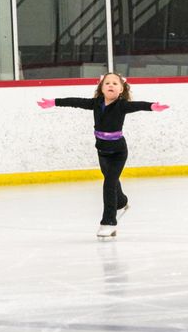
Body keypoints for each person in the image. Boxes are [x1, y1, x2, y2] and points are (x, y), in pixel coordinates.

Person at [36, 73, 169, 238]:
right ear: (101, 87)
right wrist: (54, 102)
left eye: (115, 83)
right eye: (107, 83)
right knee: (112, 180)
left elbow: (137, 105)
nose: (110, 85)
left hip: (118, 152)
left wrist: (151, 107)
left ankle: (109, 222)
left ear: (121, 89)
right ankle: (121, 201)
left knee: (109, 183)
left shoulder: (122, 105)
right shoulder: (96, 103)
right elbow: (75, 102)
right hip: (102, 151)